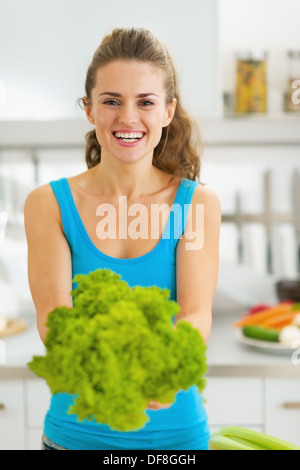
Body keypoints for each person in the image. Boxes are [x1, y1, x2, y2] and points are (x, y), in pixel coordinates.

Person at [24, 27, 221, 451]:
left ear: (168, 111)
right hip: (75, 437)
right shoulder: (49, 204)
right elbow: (54, 321)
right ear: (90, 110)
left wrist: (156, 376)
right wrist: (115, 381)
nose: (128, 118)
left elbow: (195, 315)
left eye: (145, 102)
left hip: (174, 438)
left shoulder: (197, 205)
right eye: (111, 101)